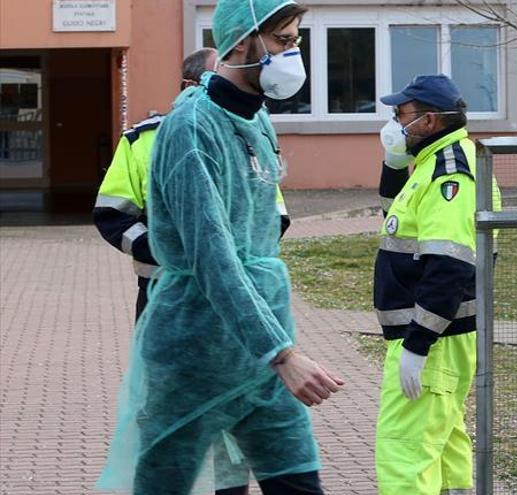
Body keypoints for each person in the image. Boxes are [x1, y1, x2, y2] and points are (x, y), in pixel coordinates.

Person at [96, 1, 343, 494]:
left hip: (258, 353)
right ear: (239, 42)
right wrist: (283, 354)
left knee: (297, 481)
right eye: (282, 41)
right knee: (164, 482)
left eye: (295, 40)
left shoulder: (256, 119)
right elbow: (213, 256)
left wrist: (274, 348)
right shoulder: (191, 128)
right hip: (196, 354)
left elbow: (258, 237)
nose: (293, 53)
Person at [373, 74, 501, 494]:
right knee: (442, 445)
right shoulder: (435, 160)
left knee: (405, 452)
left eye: (401, 115)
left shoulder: (451, 173)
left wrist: (417, 344)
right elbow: (400, 215)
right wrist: (393, 164)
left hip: (434, 338)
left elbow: (448, 265)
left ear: (428, 120)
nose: (393, 123)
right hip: (440, 337)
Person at [93, 48, 223, 320]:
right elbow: (112, 214)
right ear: (189, 86)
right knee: (158, 363)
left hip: (231, 291)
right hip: (161, 289)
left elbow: (273, 215)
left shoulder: (246, 139)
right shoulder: (141, 141)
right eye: (220, 79)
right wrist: (161, 251)